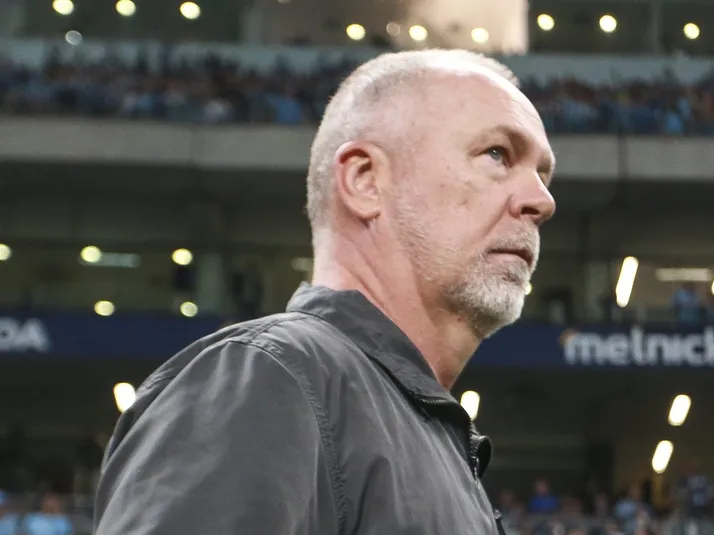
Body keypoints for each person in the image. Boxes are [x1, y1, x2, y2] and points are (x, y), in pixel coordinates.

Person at [94, 48, 556, 534]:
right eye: (497, 154)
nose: (542, 201)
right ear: (364, 181)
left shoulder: (418, 429)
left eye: (543, 176)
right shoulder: (270, 376)